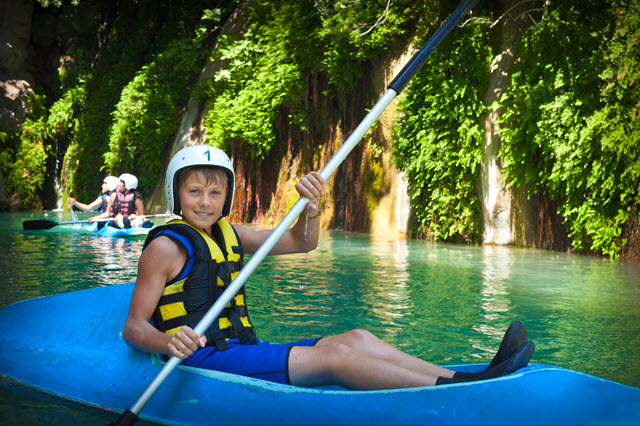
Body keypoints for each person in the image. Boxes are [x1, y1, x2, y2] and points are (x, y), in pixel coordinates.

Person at [122, 144, 535, 390]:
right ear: (178, 192)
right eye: (194, 191)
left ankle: (464, 376)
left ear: (227, 196)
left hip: (241, 349)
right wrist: (168, 341)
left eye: (215, 192)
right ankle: (452, 391)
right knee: (333, 356)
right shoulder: (165, 246)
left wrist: (311, 207)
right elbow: (135, 328)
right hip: (202, 360)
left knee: (356, 336)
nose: (205, 202)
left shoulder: (232, 233)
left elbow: (303, 242)